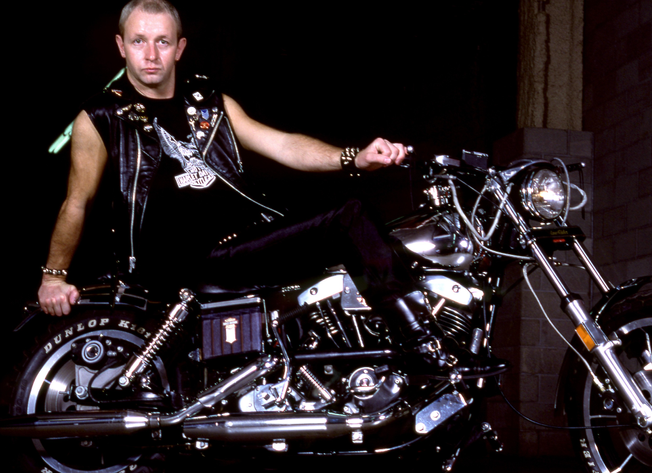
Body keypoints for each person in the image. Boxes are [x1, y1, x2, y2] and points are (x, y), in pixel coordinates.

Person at [37, 0, 504, 376]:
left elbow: (282, 145)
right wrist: (53, 275)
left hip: (241, 245)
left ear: (180, 47)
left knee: (341, 243)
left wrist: (353, 158)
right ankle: (423, 345)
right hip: (178, 263)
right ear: (121, 46)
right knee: (350, 215)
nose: (151, 54)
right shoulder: (100, 116)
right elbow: (77, 201)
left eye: (162, 41)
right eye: (139, 41)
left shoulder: (211, 102)